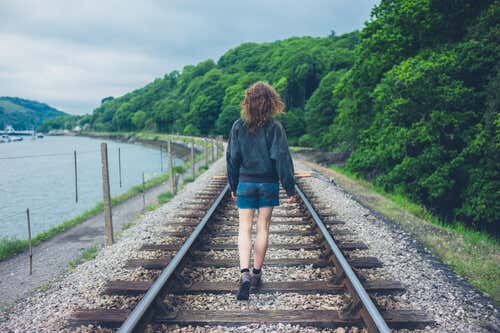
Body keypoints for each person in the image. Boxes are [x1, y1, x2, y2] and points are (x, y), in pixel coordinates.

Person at [226, 81, 299, 300]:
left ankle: (244, 274)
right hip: (268, 184)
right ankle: (257, 273)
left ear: (247, 102)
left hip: (246, 184)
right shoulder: (275, 128)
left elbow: (232, 158)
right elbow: (282, 159)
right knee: (263, 228)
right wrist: (289, 188)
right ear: (270, 103)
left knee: (244, 228)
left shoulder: (238, 126)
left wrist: (233, 184)